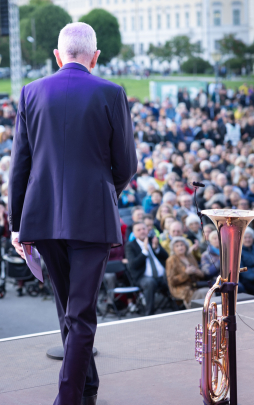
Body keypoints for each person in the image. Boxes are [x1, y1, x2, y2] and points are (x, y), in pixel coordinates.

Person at [9, 22, 137, 405]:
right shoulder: (111, 92)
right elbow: (126, 165)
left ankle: (87, 388)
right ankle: (71, 398)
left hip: (43, 219)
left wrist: (18, 225)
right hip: (91, 219)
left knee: (69, 310)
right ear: (95, 57)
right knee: (78, 314)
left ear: (57, 56)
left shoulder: (31, 92)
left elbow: (20, 167)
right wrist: (102, 193)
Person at [125, 222, 168, 316]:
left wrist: (156, 248)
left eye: (143, 229)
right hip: (143, 277)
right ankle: (149, 314)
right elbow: (133, 265)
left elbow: (167, 257)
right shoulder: (130, 246)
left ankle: (179, 307)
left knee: (173, 277)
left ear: (147, 230)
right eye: (138, 230)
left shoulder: (153, 240)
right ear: (134, 233)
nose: (142, 232)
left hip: (161, 276)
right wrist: (145, 251)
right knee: (150, 282)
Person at [165, 237, 207, 308]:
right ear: (173, 249)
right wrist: (186, 273)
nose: (180, 247)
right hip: (182, 289)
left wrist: (196, 271)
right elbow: (171, 281)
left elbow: (202, 275)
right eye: (177, 246)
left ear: (186, 246)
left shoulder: (190, 256)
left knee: (208, 291)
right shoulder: (171, 260)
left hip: (196, 285)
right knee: (203, 292)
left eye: (182, 245)